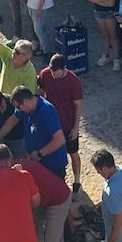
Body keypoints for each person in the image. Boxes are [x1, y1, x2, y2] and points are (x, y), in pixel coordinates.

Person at [20, 155, 79, 242]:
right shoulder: (21, 164)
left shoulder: (20, 176)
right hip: (46, 197)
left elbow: (32, 200)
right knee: (35, 225)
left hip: (58, 200)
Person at [37, 53, 84, 190]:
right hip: (51, 123)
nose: (53, 75)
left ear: (64, 68)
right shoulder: (45, 74)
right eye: (52, 71)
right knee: (52, 151)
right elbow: (40, 92)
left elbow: (78, 105)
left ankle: (77, 181)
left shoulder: (73, 81)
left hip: (67, 124)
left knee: (73, 152)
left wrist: (75, 128)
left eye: (56, 73)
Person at [0, 16, 38, 95]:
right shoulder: (8, 55)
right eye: (14, 49)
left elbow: (29, 95)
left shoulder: (30, 72)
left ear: (26, 57)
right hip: (2, 97)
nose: (13, 52)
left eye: (17, 52)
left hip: (15, 101)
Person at [90, 0, 122, 69]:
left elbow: (111, 3)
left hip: (109, 13)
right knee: (104, 34)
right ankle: (105, 55)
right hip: (98, 12)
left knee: (113, 35)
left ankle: (116, 58)